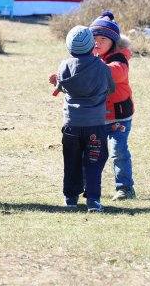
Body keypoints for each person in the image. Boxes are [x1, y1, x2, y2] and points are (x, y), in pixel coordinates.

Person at [49, 25, 115, 212]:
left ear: (69, 47)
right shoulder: (102, 68)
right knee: (94, 163)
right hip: (95, 125)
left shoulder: (64, 66)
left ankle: (70, 197)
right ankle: (93, 200)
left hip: (71, 125)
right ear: (91, 45)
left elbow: (61, 87)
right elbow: (111, 89)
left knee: (71, 161)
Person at [90, 12, 136, 201]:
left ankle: (125, 188)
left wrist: (94, 66)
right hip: (97, 116)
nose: (98, 42)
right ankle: (90, 187)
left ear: (113, 42)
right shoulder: (88, 57)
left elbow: (117, 73)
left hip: (119, 116)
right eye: (94, 38)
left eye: (103, 39)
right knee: (94, 153)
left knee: (118, 150)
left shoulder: (119, 57)